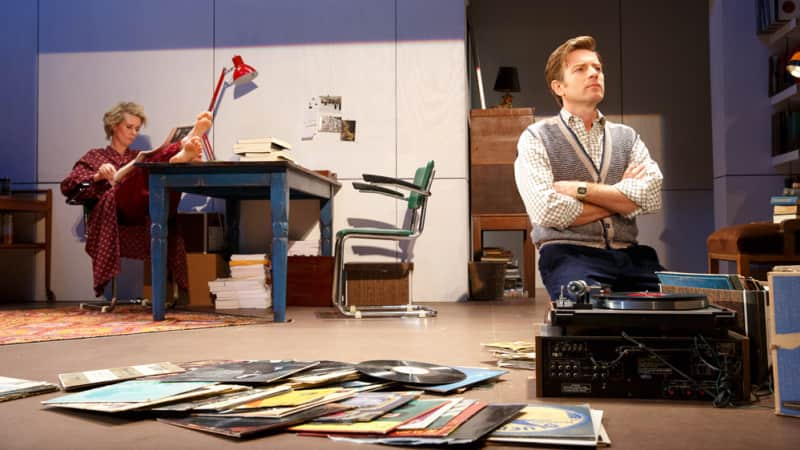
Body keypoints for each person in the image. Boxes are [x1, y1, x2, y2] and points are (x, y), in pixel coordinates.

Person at [513, 36, 665, 301]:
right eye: (581, 69)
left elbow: (651, 196)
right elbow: (546, 210)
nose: (594, 73)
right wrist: (623, 200)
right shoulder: (536, 137)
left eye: (597, 68)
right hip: (570, 255)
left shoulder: (627, 137)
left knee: (683, 312)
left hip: (632, 255)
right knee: (586, 311)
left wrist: (579, 189)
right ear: (558, 86)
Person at [60, 101, 212, 298]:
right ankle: (182, 149)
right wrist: (97, 176)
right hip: (117, 212)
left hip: (147, 211)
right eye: (129, 127)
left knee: (163, 180)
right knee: (145, 167)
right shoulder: (96, 156)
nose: (133, 133)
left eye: (137, 129)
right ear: (114, 126)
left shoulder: (136, 155)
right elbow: (69, 186)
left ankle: (181, 156)